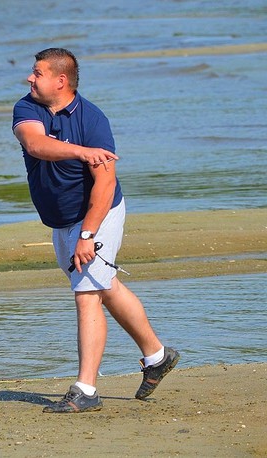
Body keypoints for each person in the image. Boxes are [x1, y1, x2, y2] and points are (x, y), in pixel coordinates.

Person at [12, 48, 179, 413]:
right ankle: (158, 355)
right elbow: (35, 144)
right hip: (60, 218)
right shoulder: (27, 108)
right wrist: (81, 153)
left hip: (97, 214)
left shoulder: (93, 120)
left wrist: (88, 235)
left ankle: (86, 389)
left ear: (61, 80)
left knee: (86, 292)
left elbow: (104, 186)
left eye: (37, 73)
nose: (29, 78)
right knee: (103, 285)